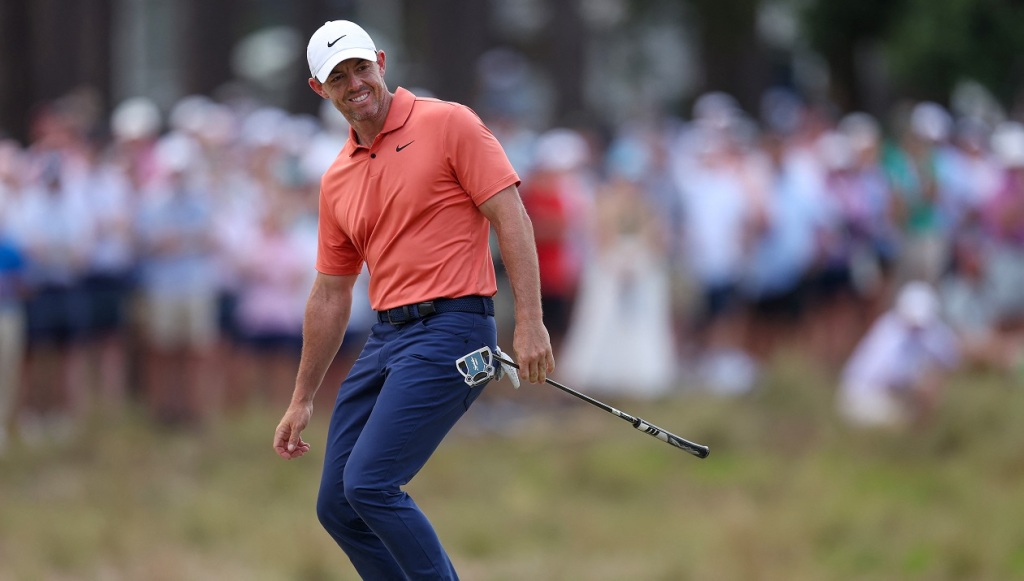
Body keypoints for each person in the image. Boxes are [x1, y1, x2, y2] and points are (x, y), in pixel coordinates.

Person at [272, 20, 554, 580]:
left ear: (380, 62)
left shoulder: (447, 123)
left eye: (361, 68)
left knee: (370, 484)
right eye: (338, 77)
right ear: (318, 89)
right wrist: (302, 397)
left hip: (454, 328)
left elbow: (511, 219)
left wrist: (529, 323)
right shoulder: (336, 179)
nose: (354, 83)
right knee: (338, 505)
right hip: (387, 338)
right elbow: (331, 293)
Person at [836, 281, 960, 429]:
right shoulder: (889, 333)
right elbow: (890, 376)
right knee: (905, 423)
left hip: (886, 394)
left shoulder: (929, 331)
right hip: (863, 397)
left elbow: (949, 354)